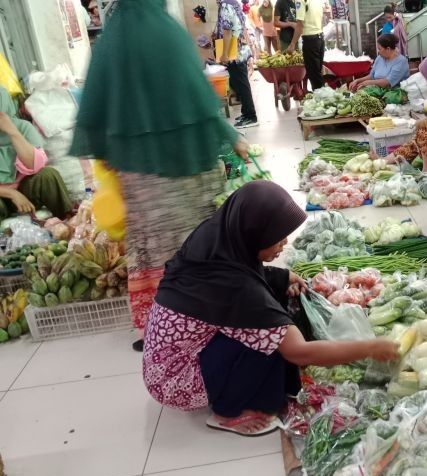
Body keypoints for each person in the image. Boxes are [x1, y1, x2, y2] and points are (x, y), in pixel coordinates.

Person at [143, 181, 398, 436]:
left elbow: (243, 273)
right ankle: (226, 411)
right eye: (277, 237)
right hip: (175, 380)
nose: (284, 243)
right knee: (270, 342)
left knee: (271, 311)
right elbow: (300, 352)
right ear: (254, 234)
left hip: (168, 357)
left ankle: (230, 386)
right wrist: (370, 348)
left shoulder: (220, 235)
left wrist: (281, 276)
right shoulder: (237, 289)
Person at [70, 0, 248, 352]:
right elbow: (197, 98)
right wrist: (231, 137)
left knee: (149, 248)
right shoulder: (168, 34)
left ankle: (159, 327)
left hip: (138, 173)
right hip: (182, 167)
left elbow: (95, 102)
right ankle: (199, 322)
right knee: (191, 244)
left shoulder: (112, 38)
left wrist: (113, 155)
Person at [0, 88, 73, 219]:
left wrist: (13, 132)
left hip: (26, 188)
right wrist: (12, 194)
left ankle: (68, 222)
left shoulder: (22, 127)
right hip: (2, 196)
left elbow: (35, 166)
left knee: (48, 175)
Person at [214, 0, 259, 129]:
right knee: (240, 84)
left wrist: (224, 54)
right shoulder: (234, 3)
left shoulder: (225, 5)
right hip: (240, 50)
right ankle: (246, 113)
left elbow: (227, 31)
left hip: (235, 53)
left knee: (241, 85)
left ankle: (251, 116)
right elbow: (241, 26)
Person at [290, 0, 326, 90]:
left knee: (314, 75)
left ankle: (322, 100)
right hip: (320, 38)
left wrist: (292, 44)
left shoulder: (300, 1)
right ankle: (324, 98)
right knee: (317, 74)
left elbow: (300, 25)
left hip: (311, 41)